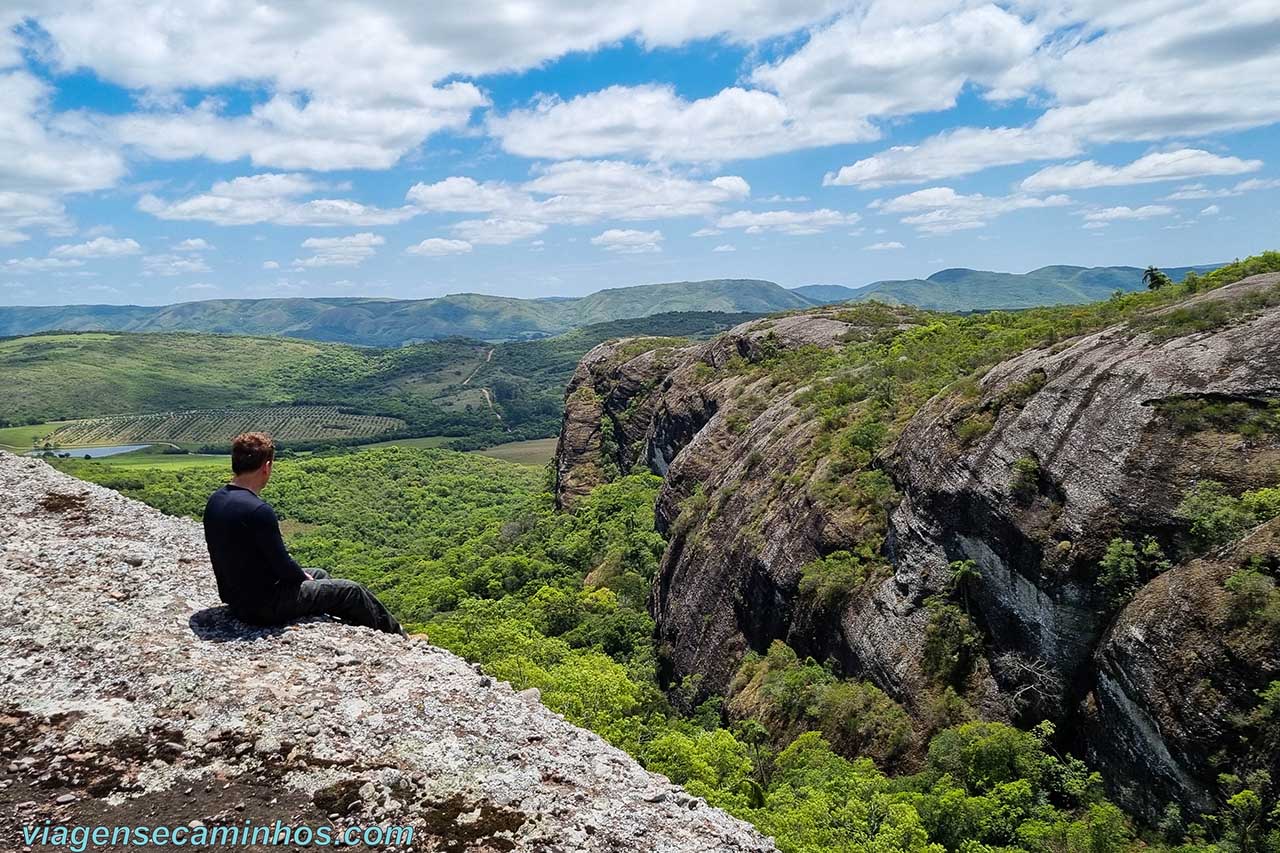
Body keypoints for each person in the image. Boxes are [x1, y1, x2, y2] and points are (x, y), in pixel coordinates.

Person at [202, 432, 403, 636]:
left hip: (236, 598)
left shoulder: (216, 500)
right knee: (351, 590)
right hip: (262, 606)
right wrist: (301, 577)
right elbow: (282, 564)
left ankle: (348, 629)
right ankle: (398, 637)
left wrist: (302, 576)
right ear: (266, 467)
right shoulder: (257, 510)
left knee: (321, 575)